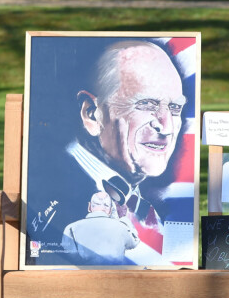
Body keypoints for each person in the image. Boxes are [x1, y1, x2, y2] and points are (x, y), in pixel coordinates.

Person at [65, 40, 186, 257]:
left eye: (175, 108)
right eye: (147, 104)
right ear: (92, 114)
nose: (166, 127)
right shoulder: (55, 189)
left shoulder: (137, 199)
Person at [61, 191, 139, 265]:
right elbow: (134, 242)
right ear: (110, 211)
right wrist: (123, 217)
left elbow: (70, 255)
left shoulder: (70, 228)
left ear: (89, 207)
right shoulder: (122, 228)